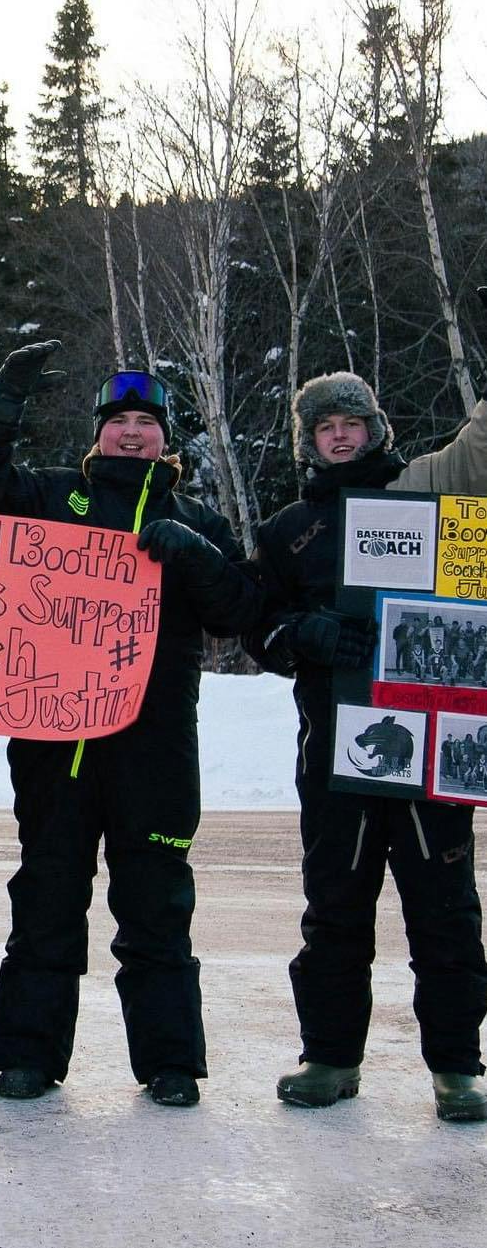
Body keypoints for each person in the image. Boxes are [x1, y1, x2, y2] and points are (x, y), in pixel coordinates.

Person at [0, 346, 261, 1108]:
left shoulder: (195, 517)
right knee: (46, 898)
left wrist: (198, 556)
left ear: (166, 438)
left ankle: (171, 1061)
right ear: (98, 434)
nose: (132, 434)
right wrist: (4, 390)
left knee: (157, 906)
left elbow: (241, 611)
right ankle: (29, 1055)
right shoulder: (52, 495)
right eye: (119, 422)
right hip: (58, 746)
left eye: (147, 422)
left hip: (157, 749)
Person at [244, 370, 487, 1122]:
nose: (341, 435)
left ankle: (456, 1068)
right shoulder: (289, 528)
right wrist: (300, 633)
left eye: (353, 420)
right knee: (334, 911)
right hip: (334, 758)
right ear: (309, 441)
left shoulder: (426, 493)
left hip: (431, 751)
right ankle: (329, 1057)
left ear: (376, 427)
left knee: (445, 913)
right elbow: (257, 625)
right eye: (326, 427)